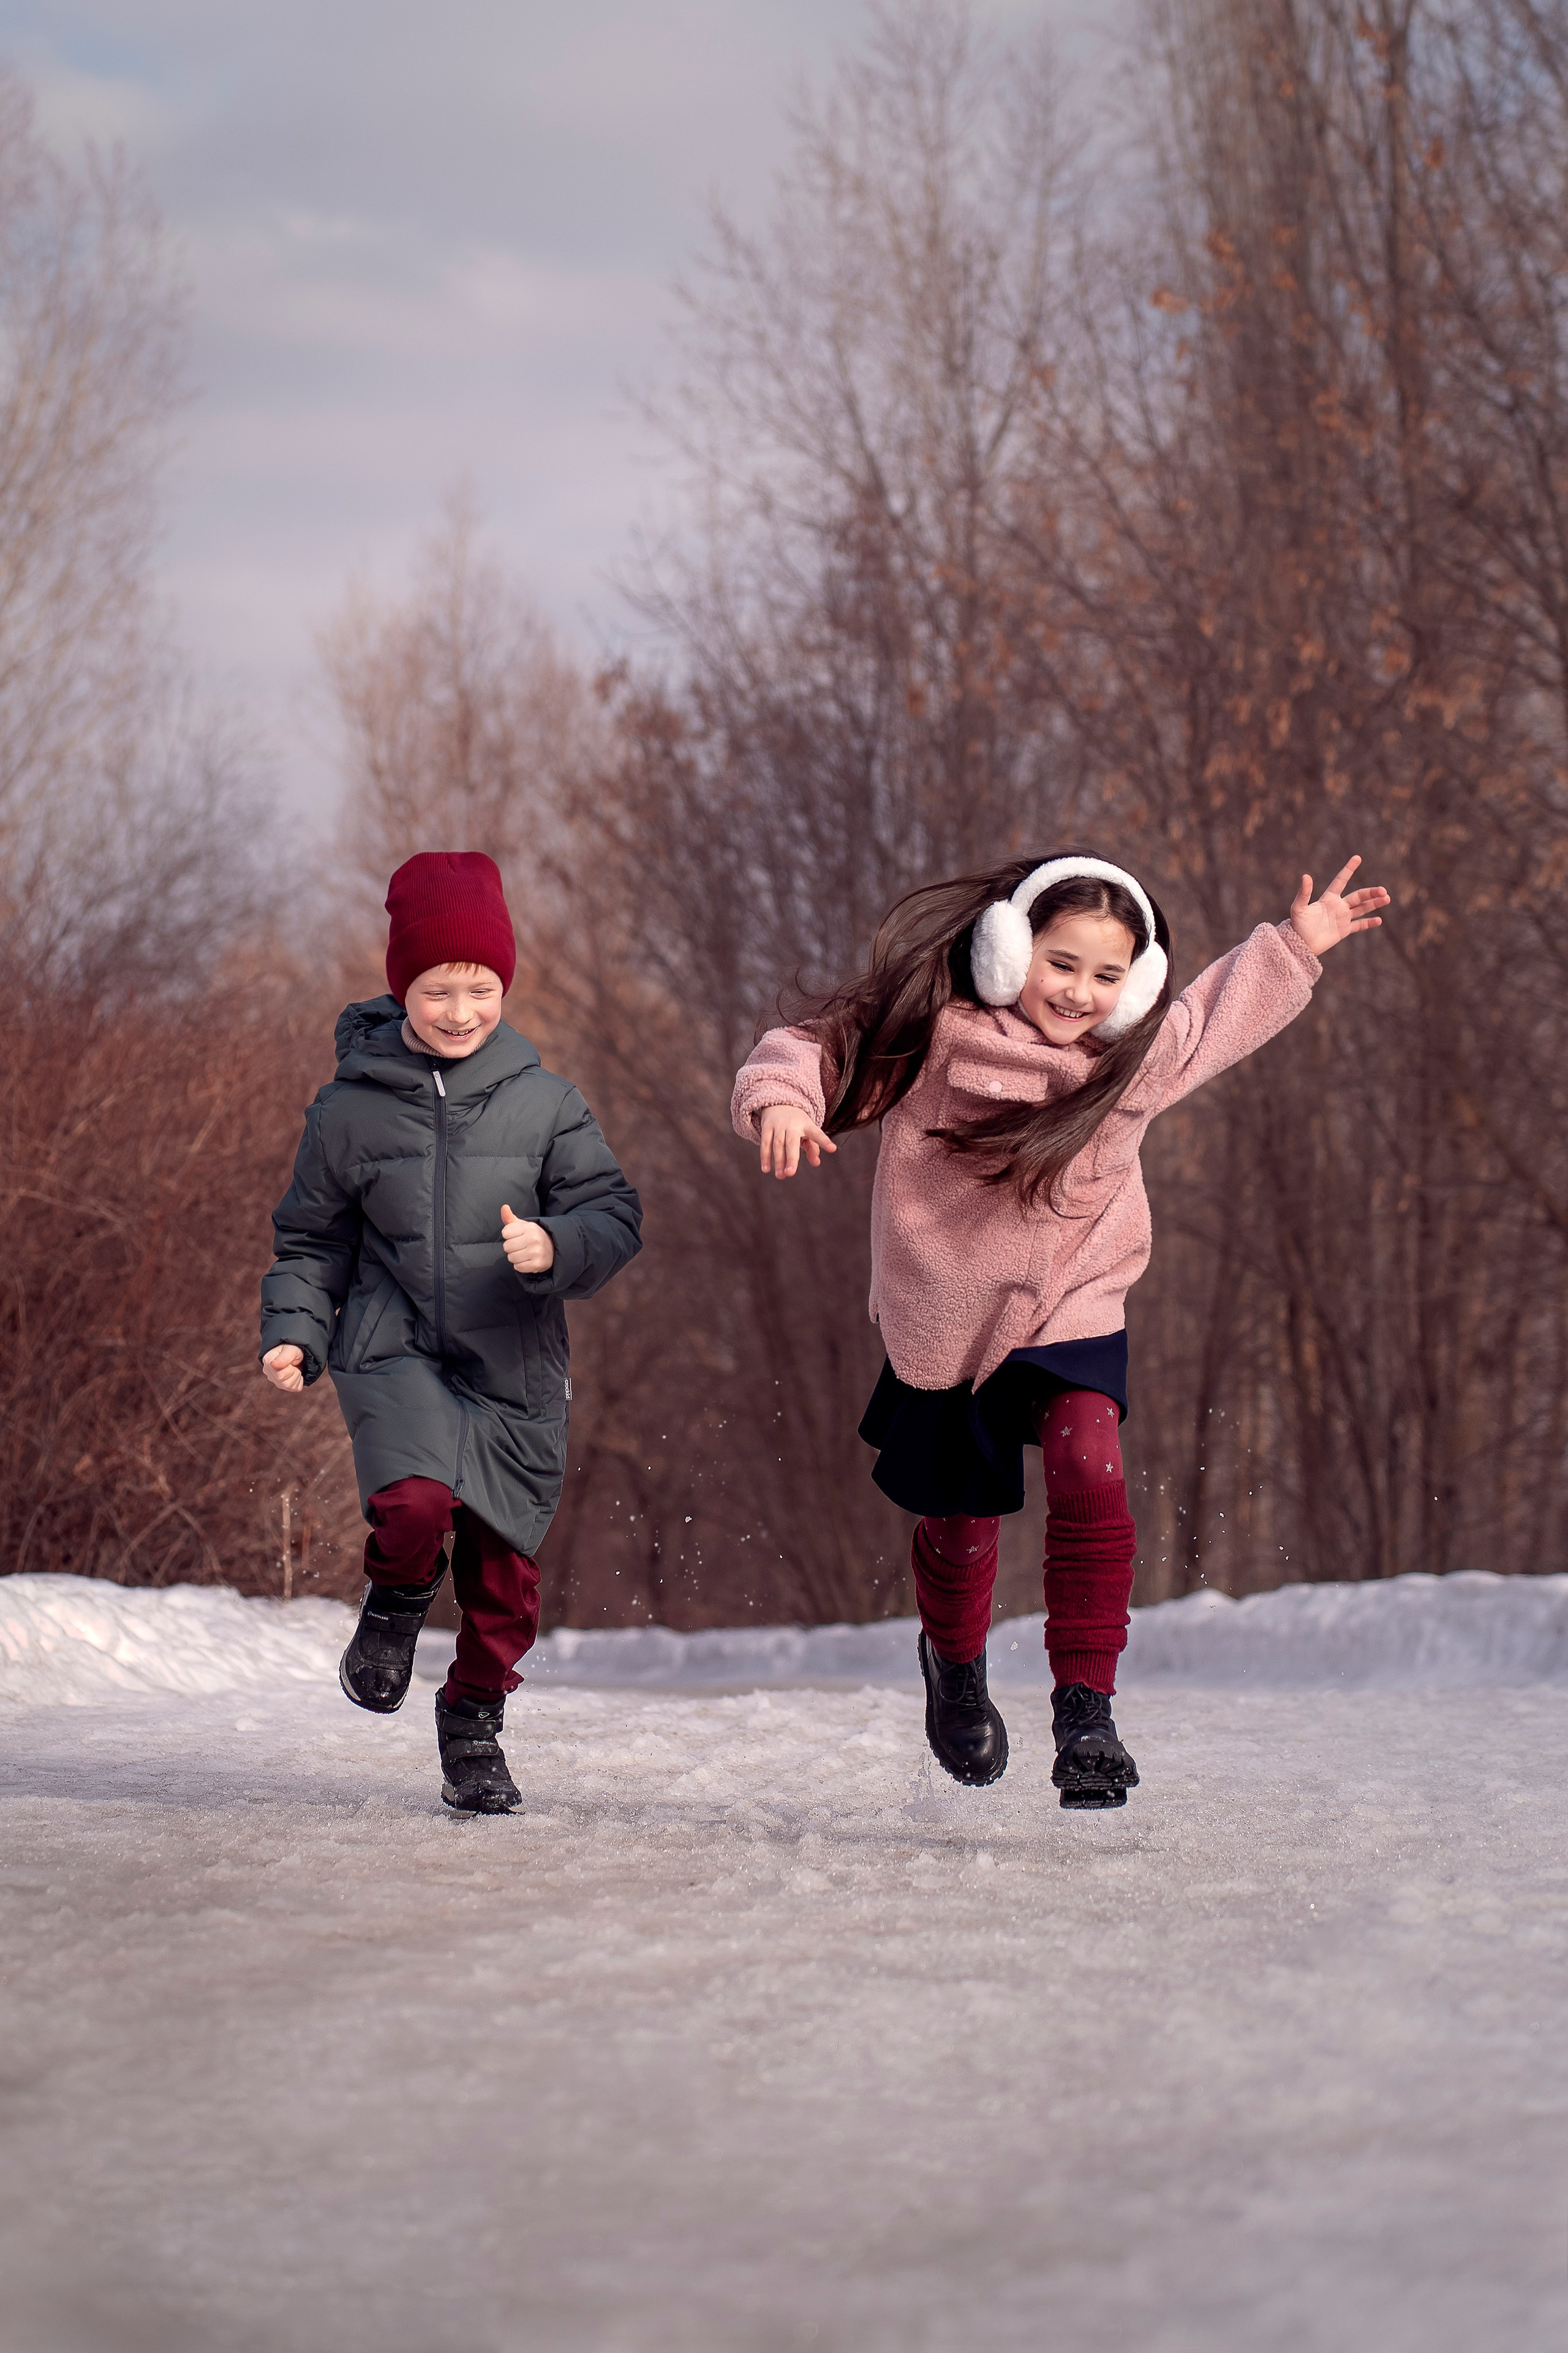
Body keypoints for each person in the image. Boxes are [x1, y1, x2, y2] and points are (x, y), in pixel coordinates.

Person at [731, 852, 1389, 1808]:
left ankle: (1088, 1712)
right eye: (1061, 962)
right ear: (1007, 949)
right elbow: (812, 1049)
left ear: (1137, 984)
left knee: (1091, 1460)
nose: (1081, 992)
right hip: (947, 1320)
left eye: (1108, 974)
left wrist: (1297, 944)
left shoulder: (1134, 1059)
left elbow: (1216, 1013)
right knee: (959, 1528)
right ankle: (953, 1665)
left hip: (1073, 1300)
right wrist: (784, 1102)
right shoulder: (935, 1036)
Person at [260, 850, 642, 1814]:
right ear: (403, 987)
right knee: (416, 1505)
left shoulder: (546, 1102)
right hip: (392, 1345)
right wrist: (297, 1330)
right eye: (439, 988)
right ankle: (393, 1604)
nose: (461, 1009)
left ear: (503, 986)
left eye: (480, 987)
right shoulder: (348, 1110)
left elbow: (615, 1213)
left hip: (512, 1355)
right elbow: (311, 1238)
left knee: (504, 1576)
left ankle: (473, 1716)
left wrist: (555, 1243)